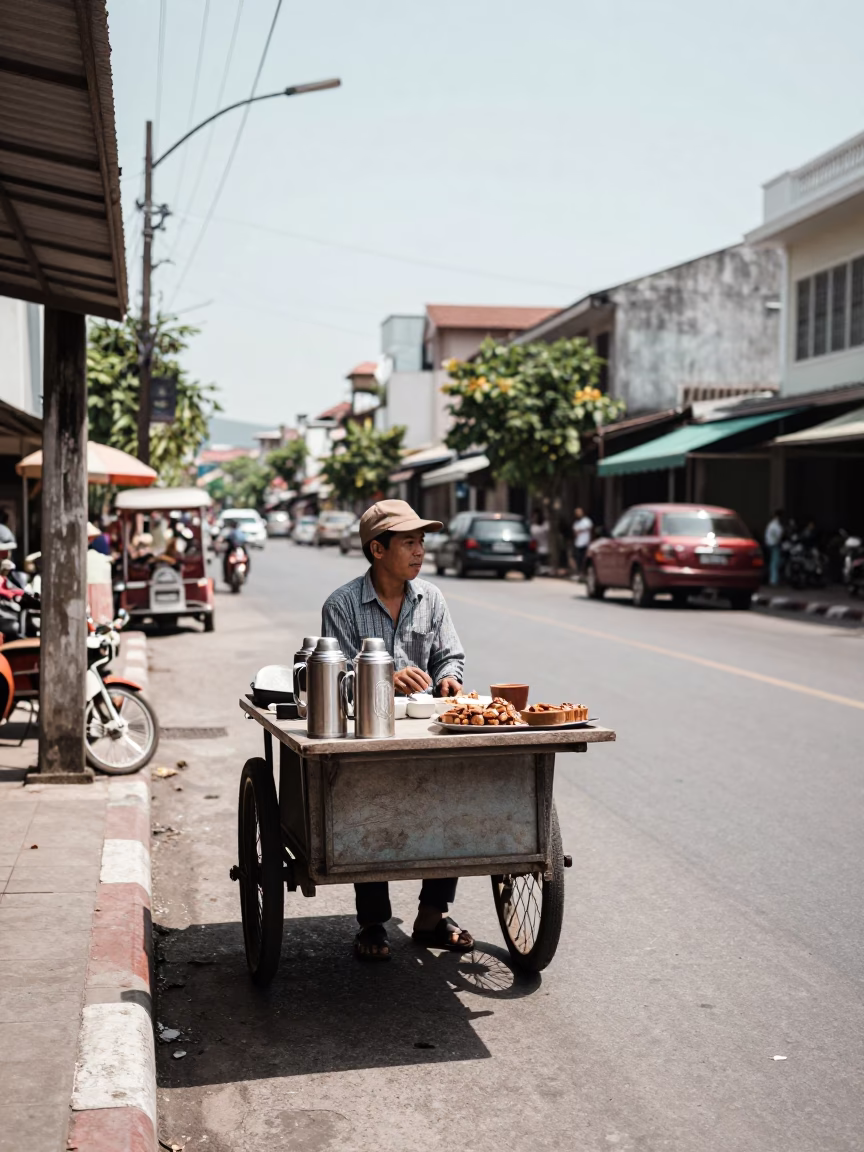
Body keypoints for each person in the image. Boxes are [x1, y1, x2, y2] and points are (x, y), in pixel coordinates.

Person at [321, 499, 471, 962]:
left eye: (422, 541)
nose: (420, 550)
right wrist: (385, 677)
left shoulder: (432, 598)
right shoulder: (342, 604)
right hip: (367, 733)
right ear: (378, 549)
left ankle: (431, 913)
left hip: (428, 730)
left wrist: (449, 678)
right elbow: (340, 674)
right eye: (409, 542)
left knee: (452, 798)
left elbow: (451, 656)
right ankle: (372, 920)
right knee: (368, 806)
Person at [220, 518, 249, 584]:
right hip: (232, 550)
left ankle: (245, 574)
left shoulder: (239, 533)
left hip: (240, 550)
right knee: (226, 560)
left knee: (247, 559)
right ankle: (227, 576)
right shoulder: (232, 533)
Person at [764, 509, 784, 586]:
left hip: (770, 544)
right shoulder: (775, 525)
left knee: (773, 562)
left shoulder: (771, 524)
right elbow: (779, 535)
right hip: (774, 544)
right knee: (775, 563)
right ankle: (773, 580)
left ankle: (773, 579)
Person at [572, 507, 593, 575]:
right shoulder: (576, 523)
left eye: (579, 512)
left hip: (586, 543)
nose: (578, 514)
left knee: (586, 559)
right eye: (577, 512)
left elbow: (590, 530)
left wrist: (590, 541)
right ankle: (579, 573)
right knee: (578, 559)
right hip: (578, 543)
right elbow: (575, 532)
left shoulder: (587, 521)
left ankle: (585, 573)